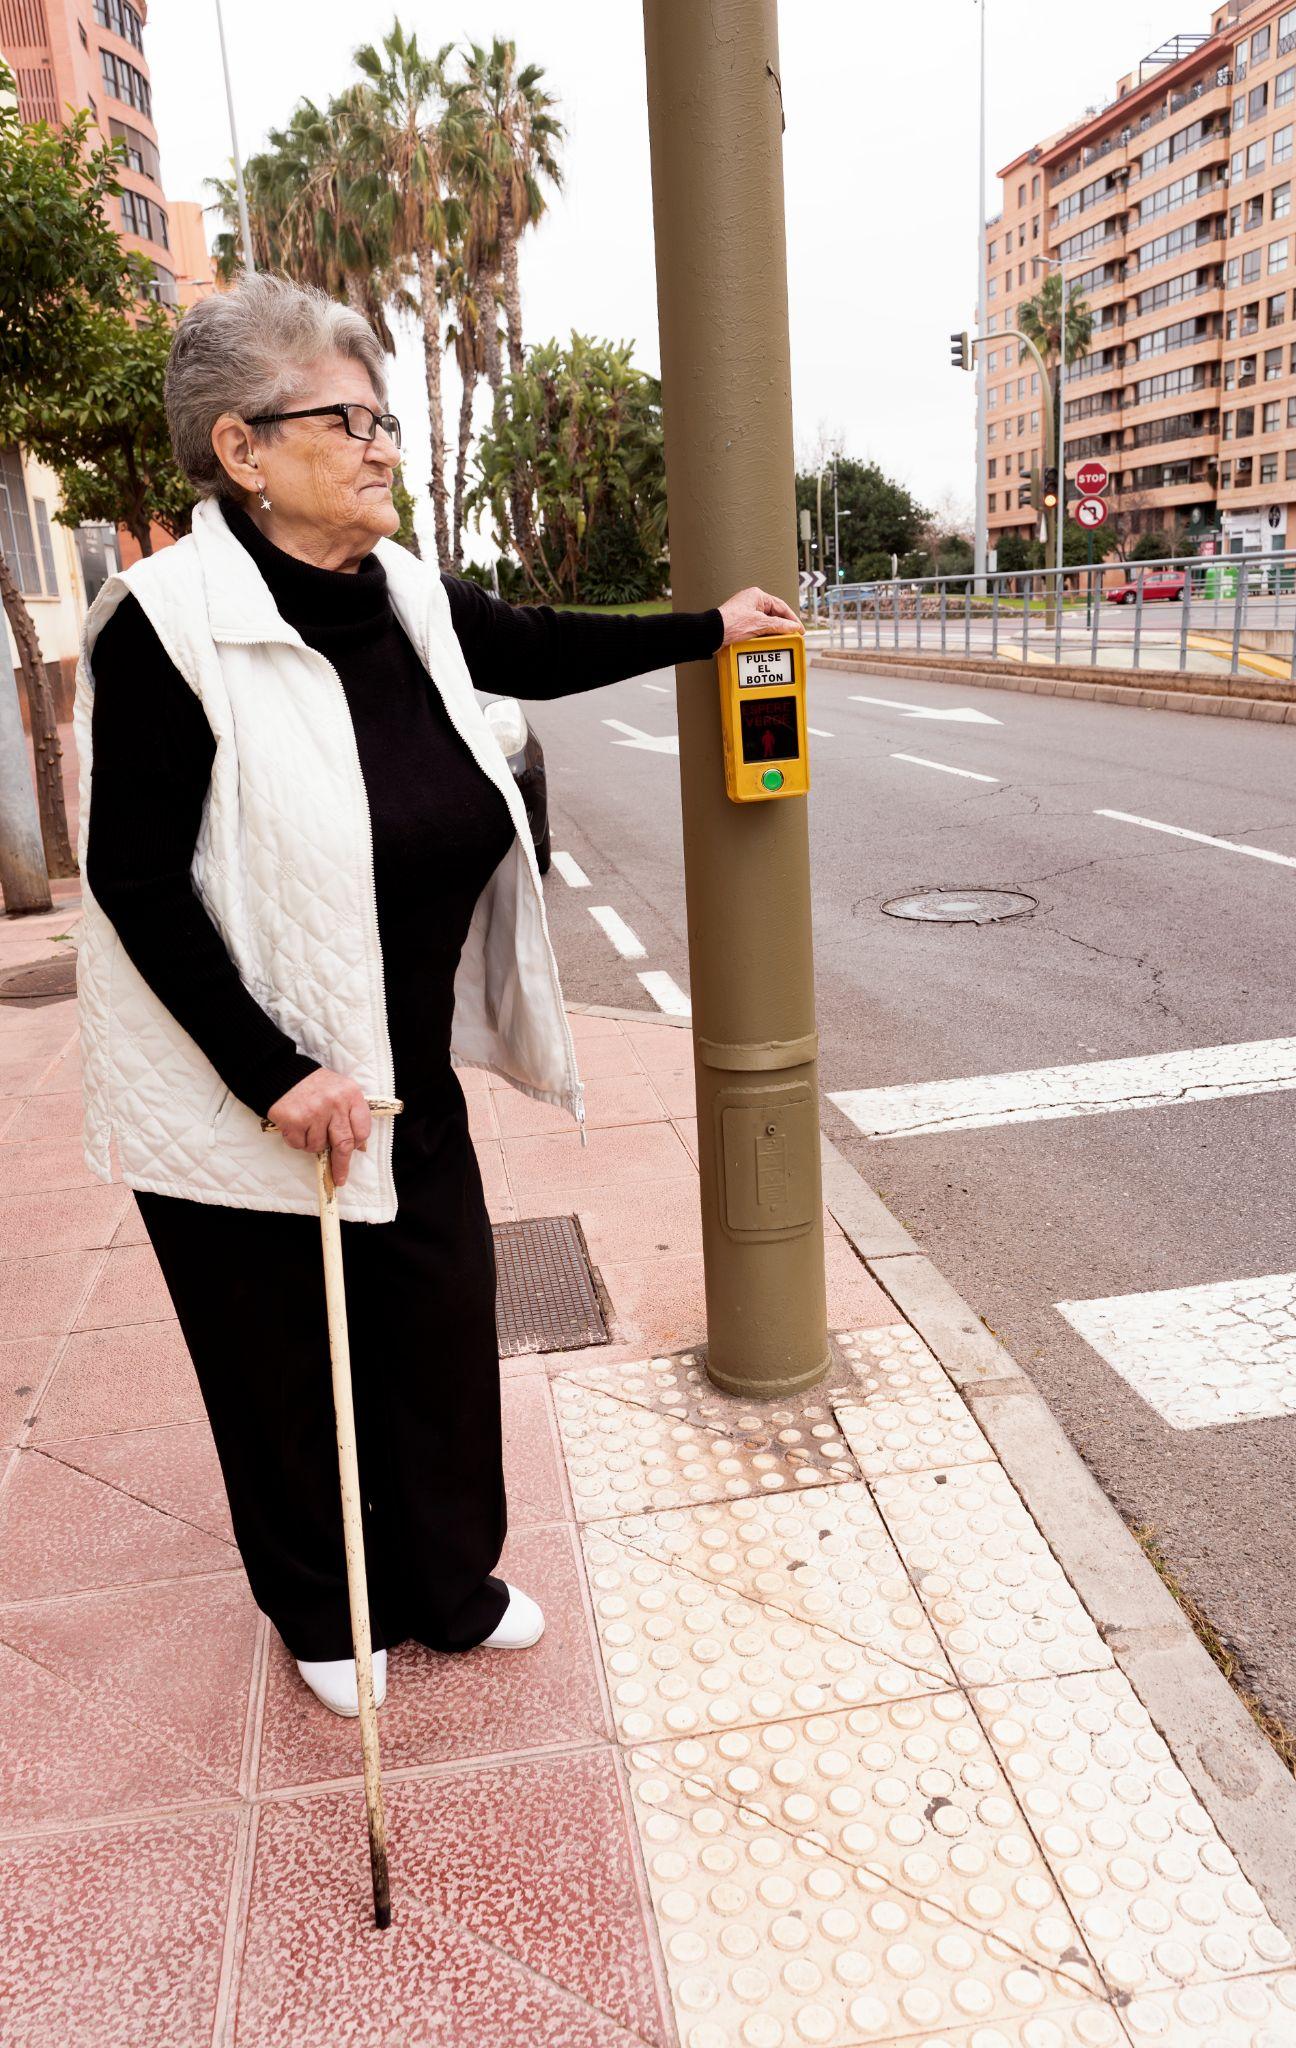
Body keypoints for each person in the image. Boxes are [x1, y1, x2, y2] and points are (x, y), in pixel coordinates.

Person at [75, 273, 801, 1716]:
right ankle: (324, 1610)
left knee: (433, 1326)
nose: (382, 445)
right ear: (240, 451)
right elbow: (136, 883)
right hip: (242, 1091)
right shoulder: (168, 626)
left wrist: (707, 629)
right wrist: (270, 1072)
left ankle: (446, 1583)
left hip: (399, 1063)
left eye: (383, 416)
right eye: (345, 419)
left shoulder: (398, 594)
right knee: (285, 1373)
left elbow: (526, 639)